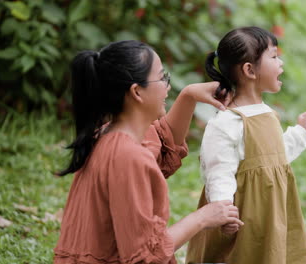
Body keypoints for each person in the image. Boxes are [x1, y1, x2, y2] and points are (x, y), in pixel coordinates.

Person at [53, 40, 244, 264]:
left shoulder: (107, 134)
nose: (168, 87)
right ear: (136, 92)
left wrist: (189, 95)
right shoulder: (128, 156)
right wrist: (203, 217)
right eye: (163, 78)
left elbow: (162, 143)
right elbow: (145, 257)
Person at [186, 26, 306, 263]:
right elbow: (218, 169)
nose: (281, 62)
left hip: (272, 214)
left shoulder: (268, 114)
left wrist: (299, 133)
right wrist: (223, 209)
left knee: (273, 253)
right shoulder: (226, 122)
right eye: (274, 56)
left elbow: (275, 157)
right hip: (243, 217)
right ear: (249, 70)